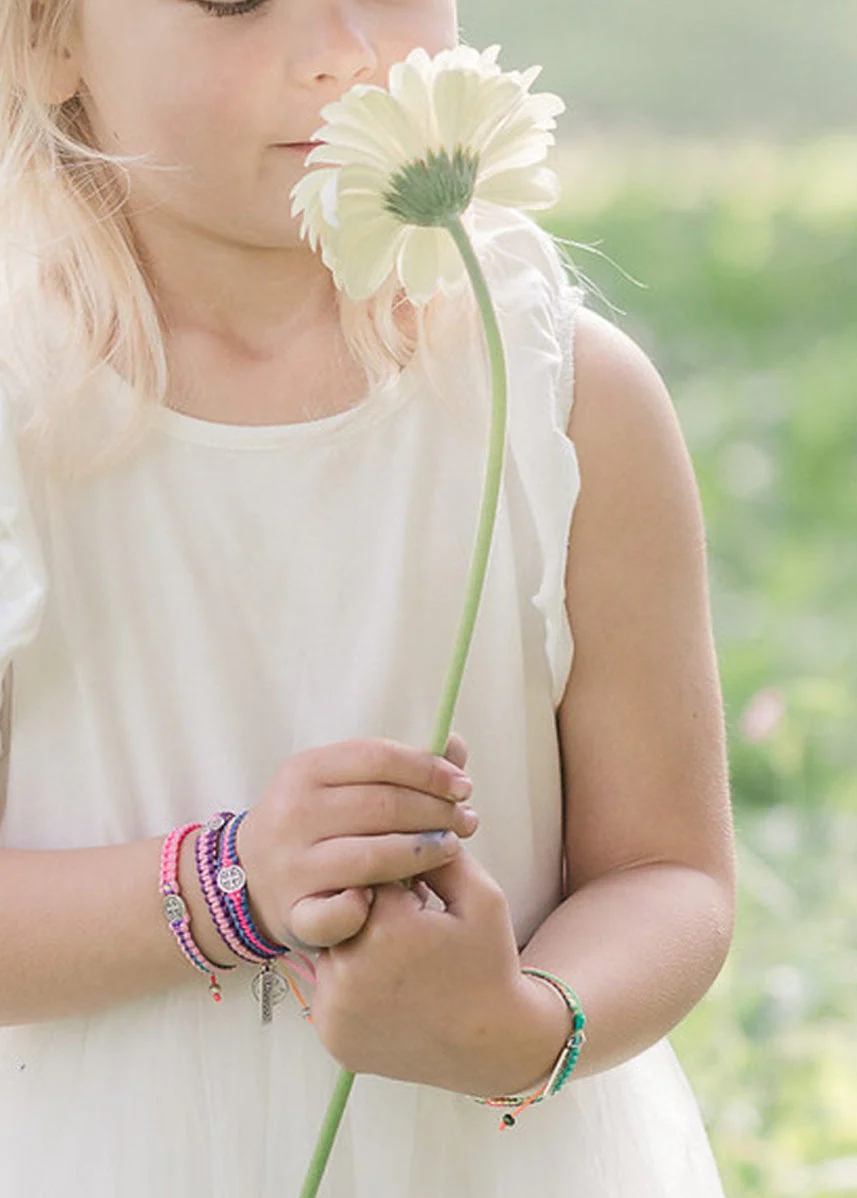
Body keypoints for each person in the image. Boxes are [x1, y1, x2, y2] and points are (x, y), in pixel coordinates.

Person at [0, 2, 736, 1195]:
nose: (342, 45)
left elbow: (668, 873)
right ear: (48, 37)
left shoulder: (558, 400)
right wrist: (232, 879)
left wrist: (519, 1024)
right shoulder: (21, 421)